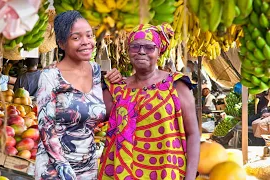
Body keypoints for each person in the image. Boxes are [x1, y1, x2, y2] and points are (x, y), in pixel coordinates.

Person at [99, 23, 200, 180]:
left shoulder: (176, 85)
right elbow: (92, 117)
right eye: (135, 46)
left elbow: (193, 133)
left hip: (165, 171)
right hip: (123, 173)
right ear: (128, 51)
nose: (141, 51)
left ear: (159, 51)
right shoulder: (117, 89)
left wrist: (190, 177)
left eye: (149, 47)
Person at [35, 11, 122, 180]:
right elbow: (46, 128)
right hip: (54, 167)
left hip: (88, 165)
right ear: (61, 43)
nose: (86, 42)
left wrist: (116, 85)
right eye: (76, 38)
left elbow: (102, 114)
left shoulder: (96, 71)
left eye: (89, 35)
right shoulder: (50, 76)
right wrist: (64, 170)